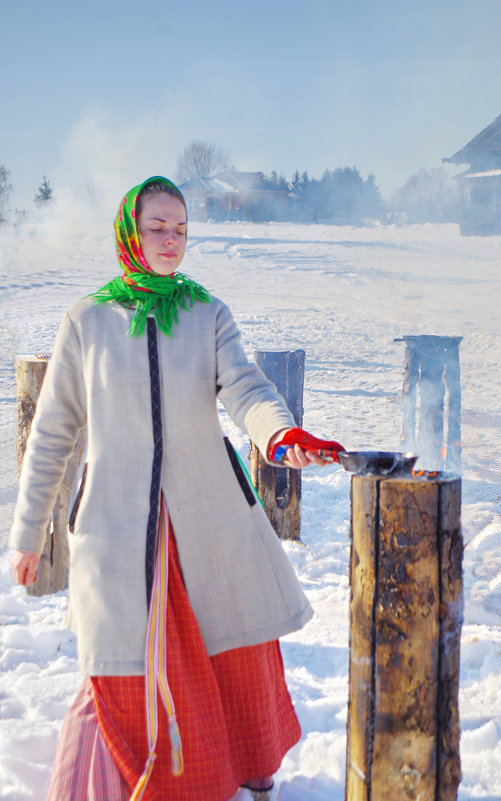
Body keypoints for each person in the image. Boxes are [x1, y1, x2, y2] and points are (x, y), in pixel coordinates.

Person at [9, 176, 337, 801]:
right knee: (115, 663)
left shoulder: (207, 312)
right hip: (115, 522)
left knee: (233, 645)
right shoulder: (87, 320)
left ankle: (241, 771)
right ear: (130, 233)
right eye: (157, 227)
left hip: (206, 514)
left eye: (181, 229)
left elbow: (246, 389)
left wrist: (282, 434)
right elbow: (52, 434)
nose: (170, 240)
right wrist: (27, 534)